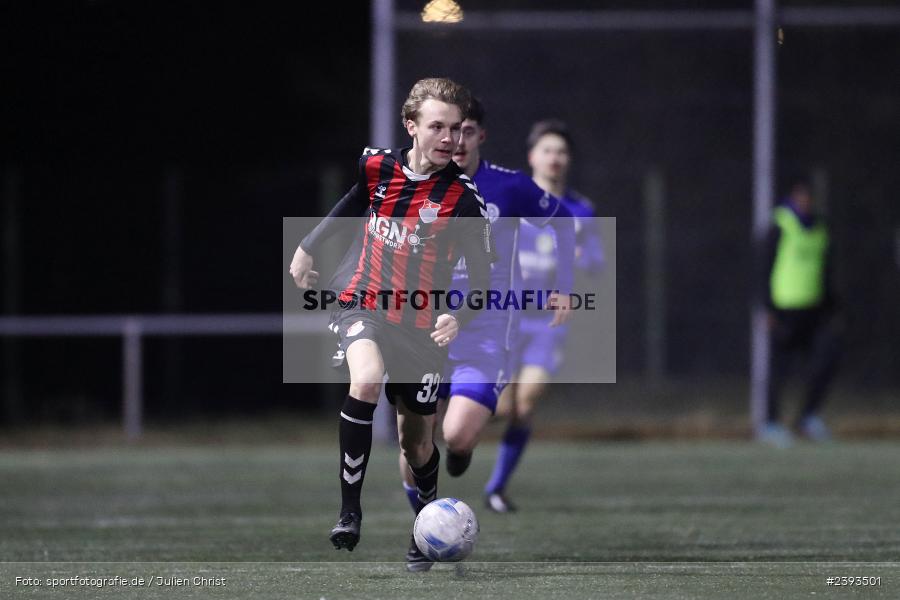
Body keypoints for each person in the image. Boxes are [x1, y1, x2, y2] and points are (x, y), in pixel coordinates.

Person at [288, 78, 494, 569]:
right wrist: (307, 247)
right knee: (366, 377)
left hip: (422, 326)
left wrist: (457, 316)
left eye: (458, 129)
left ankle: (425, 529)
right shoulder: (378, 165)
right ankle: (349, 512)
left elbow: (483, 281)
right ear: (412, 126)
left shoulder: (464, 201)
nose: (450, 139)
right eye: (438, 127)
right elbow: (352, 203)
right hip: (363, 301)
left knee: (417, 443)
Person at [397, 99, 577, 523]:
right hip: (421, 329)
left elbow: (564, 222)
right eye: (448, 130)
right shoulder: (414, 183)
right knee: (415, 442)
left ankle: (461, 452)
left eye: (467, 130)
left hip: (484, 330)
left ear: (481, 135)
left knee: (456, 435)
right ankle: (424, 530)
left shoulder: (509, 187)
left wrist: (564, 288)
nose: (456, 140)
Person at [486, 119, 605, 512]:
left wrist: (582, 257)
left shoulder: (579, 210)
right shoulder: (514, 199)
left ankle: (495, 489)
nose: (554, 157)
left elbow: (598, 263)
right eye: (547, 150)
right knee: (501, 407)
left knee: (526, 403)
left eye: (561, 151)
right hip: (504, 316)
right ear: (532, 157)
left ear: (568, 160)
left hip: (546, 323)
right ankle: (454, 434)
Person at [757, 180, 842, 447]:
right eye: (801, 195)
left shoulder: (820, 227)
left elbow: (825, 270)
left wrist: (833, 306)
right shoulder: (779, 225)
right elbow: (761, 268)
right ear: (793, 196)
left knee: (826, 360)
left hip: (815, 311)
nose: (806, 200)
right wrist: (765, 307)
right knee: (780, 368)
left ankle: (808, 417)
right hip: (784, 310)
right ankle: (770, 423)